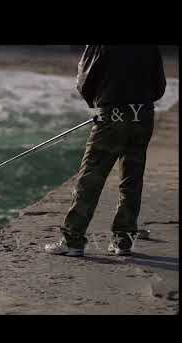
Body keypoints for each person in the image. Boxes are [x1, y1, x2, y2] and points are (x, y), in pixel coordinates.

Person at [45, 45, 167, 257]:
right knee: (132, 178)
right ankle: (123, 241)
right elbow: (159, 86)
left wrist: (102, 104)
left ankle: (73, 239)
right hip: (143, 116)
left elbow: (84, 81)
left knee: (91, 176)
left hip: (113, 115)